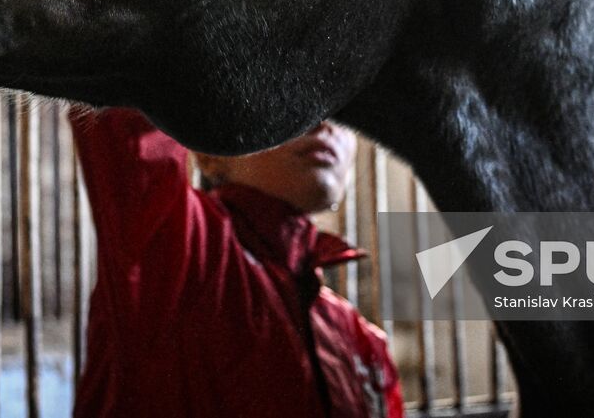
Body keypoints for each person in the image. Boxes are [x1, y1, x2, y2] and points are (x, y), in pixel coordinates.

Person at [71, 106, 403, 418]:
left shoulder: (362, 340)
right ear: (208, 154)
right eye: (284, 101)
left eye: (341, 113)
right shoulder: (178, 249)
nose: (322, 123)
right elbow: (128, 103)